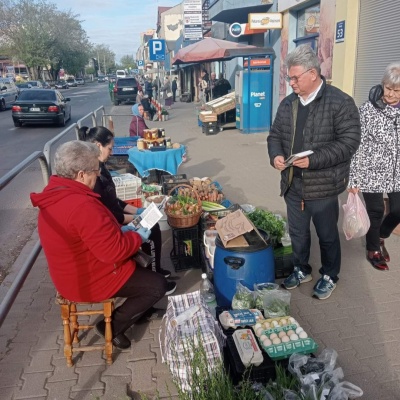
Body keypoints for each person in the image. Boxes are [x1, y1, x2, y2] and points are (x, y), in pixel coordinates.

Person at [30, 140, 168, 349]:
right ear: (81, 174)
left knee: (141, 264)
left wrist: (122, 231)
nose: (97, 175)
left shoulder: (56, 191)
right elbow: (114, 252)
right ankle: (109, 327)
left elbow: (93, 235)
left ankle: (131, 316)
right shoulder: (80, 205)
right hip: (88, 279)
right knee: (157, 285)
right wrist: (137, 236)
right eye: (95, 170)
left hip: (71, 271)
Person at [267, 44, 361, 300]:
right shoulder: (288, 104)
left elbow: (349, 142)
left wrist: (314, 160)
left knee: (327, 235)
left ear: (313, 73)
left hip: (324, 186)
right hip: (292, 183)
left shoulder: (340, 102)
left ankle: (330, 274)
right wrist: (275, 155)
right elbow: (275, 135)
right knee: (297, 233)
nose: (291, 82)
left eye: (295, 77)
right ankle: (301, 269)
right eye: (289, 77)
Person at [78, 126, 177, 292]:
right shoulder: (92, 175)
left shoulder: (101, 168)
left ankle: (154, 270)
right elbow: (106, 212)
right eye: (109, 148)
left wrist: (137, 211)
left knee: (152, 224)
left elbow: (113, 199)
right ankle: (153, 278)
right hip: (111, 222)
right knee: (150, 227)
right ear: (97, 145)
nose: (111, 152)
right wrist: (137, 220)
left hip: (115, 216)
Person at [348, 63, 400, 271]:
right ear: (382, 85)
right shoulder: (368, 110)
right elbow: (357, 147)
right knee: (376, 210)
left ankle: (380, 235)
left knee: (398, 210)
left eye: (397, 90)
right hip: (372, 169)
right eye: (388, 88)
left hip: (397, 171)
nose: (391, 94)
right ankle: (373, 249)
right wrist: (354, 179)